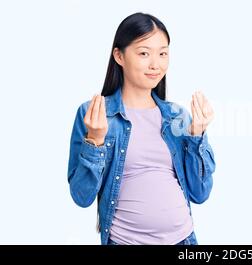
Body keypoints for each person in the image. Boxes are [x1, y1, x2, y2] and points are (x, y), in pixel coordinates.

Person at [67, 12, 216, 245]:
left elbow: (200, 193)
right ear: (119, 56)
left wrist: (197, 135)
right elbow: (81, 196)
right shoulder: (95, 114)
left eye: (163, 53)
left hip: (184, 240)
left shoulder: (177, 116)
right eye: (144, 53)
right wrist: (95, 140)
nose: (155, 64)